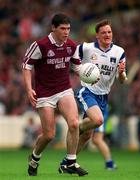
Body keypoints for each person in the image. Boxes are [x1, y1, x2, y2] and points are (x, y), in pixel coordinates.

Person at [22, 13, 88, 176]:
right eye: (63, 28)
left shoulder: (71, 45)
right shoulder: (40, 45)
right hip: (45, 94)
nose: (66, 32)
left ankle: (71, 162)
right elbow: (26, 66)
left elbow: (77, 67)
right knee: (49, 135)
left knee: (73, 123)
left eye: (68, 29)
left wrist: (89, 75)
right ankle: (35, 158)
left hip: (64, 89)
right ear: (53, 28)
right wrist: (29, 89)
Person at [60, 19, 127, 170]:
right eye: (103, 32)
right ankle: (76, 126)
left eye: (109, 32)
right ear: (97, 35)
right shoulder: (86, 48)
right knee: (98, 120)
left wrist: (122, 72)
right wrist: (80, 71)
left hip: (104, 96)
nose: (107, 34)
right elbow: (72, 59)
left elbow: (122, 80)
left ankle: (67, 162)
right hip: (87, 91)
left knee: (87, 136)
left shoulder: (119, 52)